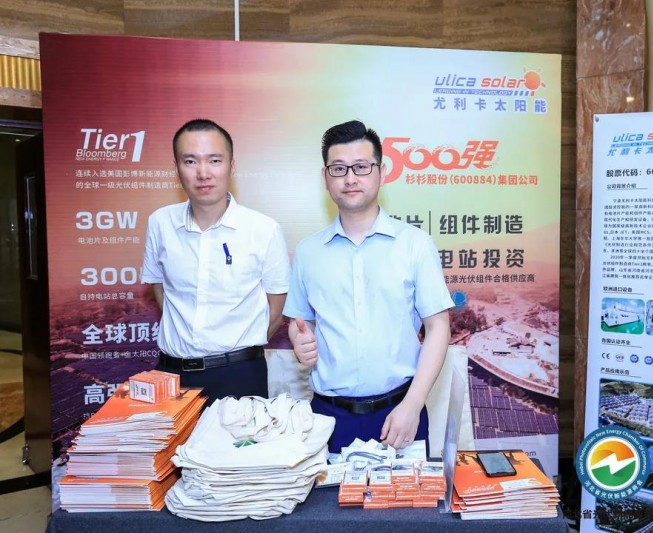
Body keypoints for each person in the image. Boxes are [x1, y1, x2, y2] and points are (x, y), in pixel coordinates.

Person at [284, 120, 454, 452]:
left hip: (400, 413)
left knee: (407, 490)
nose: (350, 178)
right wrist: (299, 341)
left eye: (361, 167)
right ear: (325, 177)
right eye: (339, 168)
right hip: (328, 418)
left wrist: (413, 405)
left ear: (381, 172)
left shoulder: (414, 244)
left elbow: (438, 327)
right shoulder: (308, 252)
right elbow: (301, 322)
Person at [141, 118, 290, 401]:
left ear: (231, 167)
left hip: (240, 376)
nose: (203, 173)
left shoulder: (263, 229)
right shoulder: (160, 223)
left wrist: (234, 350)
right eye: (190, 161)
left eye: (214, 161)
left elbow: (275, 312)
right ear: (177, 168)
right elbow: (160, 290)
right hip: (172, 374)